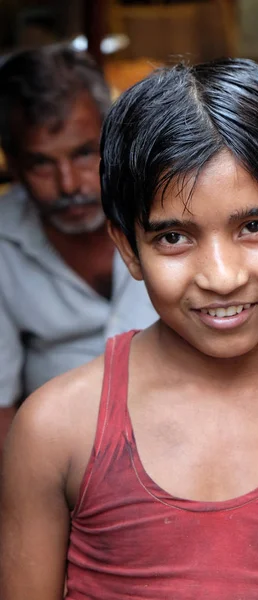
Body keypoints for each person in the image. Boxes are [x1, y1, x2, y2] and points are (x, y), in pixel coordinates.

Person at [1, 58, 258, 600]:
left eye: (253, 226)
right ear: (129, 250)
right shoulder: (53, 431)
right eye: (173, 238)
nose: (221, 276)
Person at [0, 45, 157, 448]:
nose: (69, 185)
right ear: (13, 167)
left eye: (84, 153)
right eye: (41, 163)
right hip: (62, 454)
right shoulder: (4, 242)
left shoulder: (169, 204)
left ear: (110, 138)